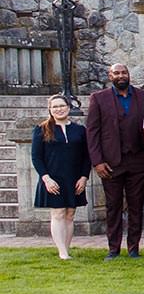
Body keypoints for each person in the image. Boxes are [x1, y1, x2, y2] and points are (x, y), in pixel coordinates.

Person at [85, 62, 144, 259]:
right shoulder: (99, 98)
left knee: (136, 206)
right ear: (110, 76)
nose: (121, 76)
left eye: (124, 72)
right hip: (111, 162)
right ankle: (113, 248)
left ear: (128, 75)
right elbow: (92, 132)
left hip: (138, 160)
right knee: (113, 206)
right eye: (117, 73)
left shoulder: (143, 97)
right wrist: (97, 162)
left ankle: (133, 248)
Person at [32, 95, 90, 258]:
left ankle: (66, 248)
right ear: (50, 110)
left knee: (70, 214)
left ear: (69, 107)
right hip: (52, 179)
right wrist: (46, 179)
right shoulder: (41, 129)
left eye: (62, 105)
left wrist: (84, 177)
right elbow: (36, 157)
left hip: (74, 178)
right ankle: (62, 253)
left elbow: (87, 156)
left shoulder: (80, 130)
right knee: (58, 213)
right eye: (55, 107)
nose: (59, 109)